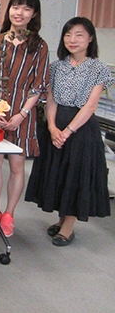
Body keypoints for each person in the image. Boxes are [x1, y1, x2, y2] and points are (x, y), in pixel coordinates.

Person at [25, 17, 113, 246]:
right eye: (68, 35)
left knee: (76, 174)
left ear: (90, 38)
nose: (73, 40)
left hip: (82, 129)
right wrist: (53, 127)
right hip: (55, 125)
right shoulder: (56, 66)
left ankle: (68, 226)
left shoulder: (98, 68)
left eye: (79, 34)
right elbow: (51, 99)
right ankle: (62, 218)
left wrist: (68, 131)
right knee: (59, 173)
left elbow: (91, 105)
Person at [0, 0, 49, 237]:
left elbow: (39, 84)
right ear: (8, 10)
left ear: (34, 14)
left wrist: (21, 113)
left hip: (23, 113)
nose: (19, 13)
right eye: (16, 7)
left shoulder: (39, 46)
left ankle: (9, 215)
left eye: (26, 9)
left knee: (17, 166)